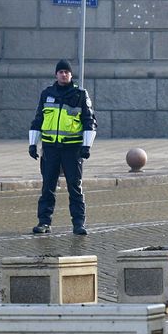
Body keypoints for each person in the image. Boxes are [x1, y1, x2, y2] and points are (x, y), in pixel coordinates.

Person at [28, 59, 97, 235]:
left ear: (71, 75)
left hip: (72, 149)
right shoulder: (47, 94)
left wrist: (86, 146)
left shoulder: (80, 95)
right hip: (50, 148)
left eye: (66, 72)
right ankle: (44, 222)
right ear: (56, 74)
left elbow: (90, 122)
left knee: (75, 186)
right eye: (61, 72)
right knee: (48, 186)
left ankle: (79, 224)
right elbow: (38, 119)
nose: (64, 74)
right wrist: (32, 144)